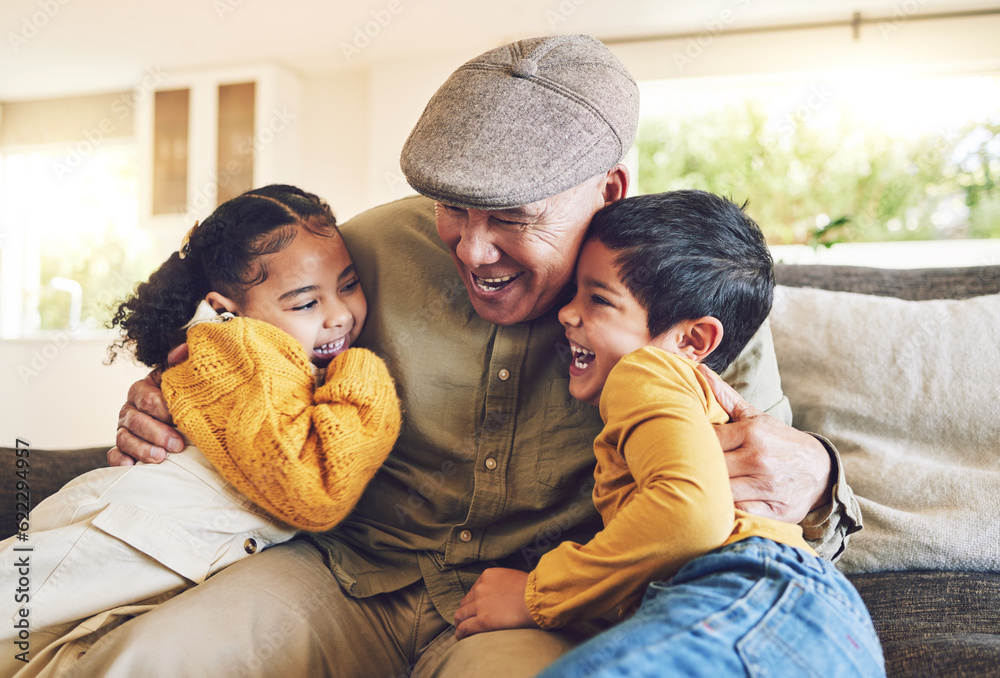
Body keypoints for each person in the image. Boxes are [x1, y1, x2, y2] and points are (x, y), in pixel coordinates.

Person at [93, 35, 860, 677]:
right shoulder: (362, 255)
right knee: (147, 663)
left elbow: (754, 520)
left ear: (611, 189)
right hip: (339, 576)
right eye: (452, 207)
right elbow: (245, 348)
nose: (472, 247)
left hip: (524, 608)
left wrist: (820, 477)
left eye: (509, 217)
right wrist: (166, 397)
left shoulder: (682, 305)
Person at [452, 190, 885, 677]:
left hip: (745, 591)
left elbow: (690, 513)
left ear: (691, 340)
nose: (567, 314)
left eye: (597, 299)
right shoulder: (686, 394)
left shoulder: (645, 371)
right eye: (574, 292)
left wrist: (537, 594)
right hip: (806, 619)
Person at [0, 185, 400, 677]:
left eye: (348, 284)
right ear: (227, 308)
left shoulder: (257, 349)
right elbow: (315, 488)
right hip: (129, 534)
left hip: (164, 548)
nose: (339, 314)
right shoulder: (245, 347)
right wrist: (364, 373)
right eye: (304, 303)